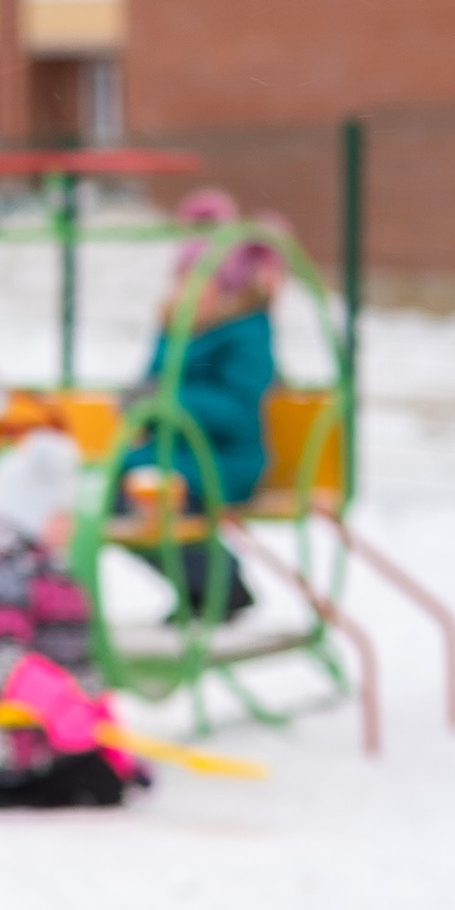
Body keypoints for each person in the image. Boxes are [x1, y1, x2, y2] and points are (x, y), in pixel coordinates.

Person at [0, 429, 147, 809]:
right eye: (60, 515)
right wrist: (55, 701)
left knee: (108, 785)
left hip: (45, 747)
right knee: (97, 792)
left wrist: (103, 728)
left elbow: (67, 655)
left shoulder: (46, 567)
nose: (69, 525)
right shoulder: (0, 567)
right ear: (29, 514)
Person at [118, 190, 285, 621]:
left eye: (197, 281)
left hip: (228, 460)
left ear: (224, 288)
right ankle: (201, 584)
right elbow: (154, 382)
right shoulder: (173, 330)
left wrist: (168, 401)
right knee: (117, 489)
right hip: (173, 456)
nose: (185, 292)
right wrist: (140, 401)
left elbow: (236, 409)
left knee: (146, 494)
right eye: (180, 280)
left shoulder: (246, 333)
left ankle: (218, 583)